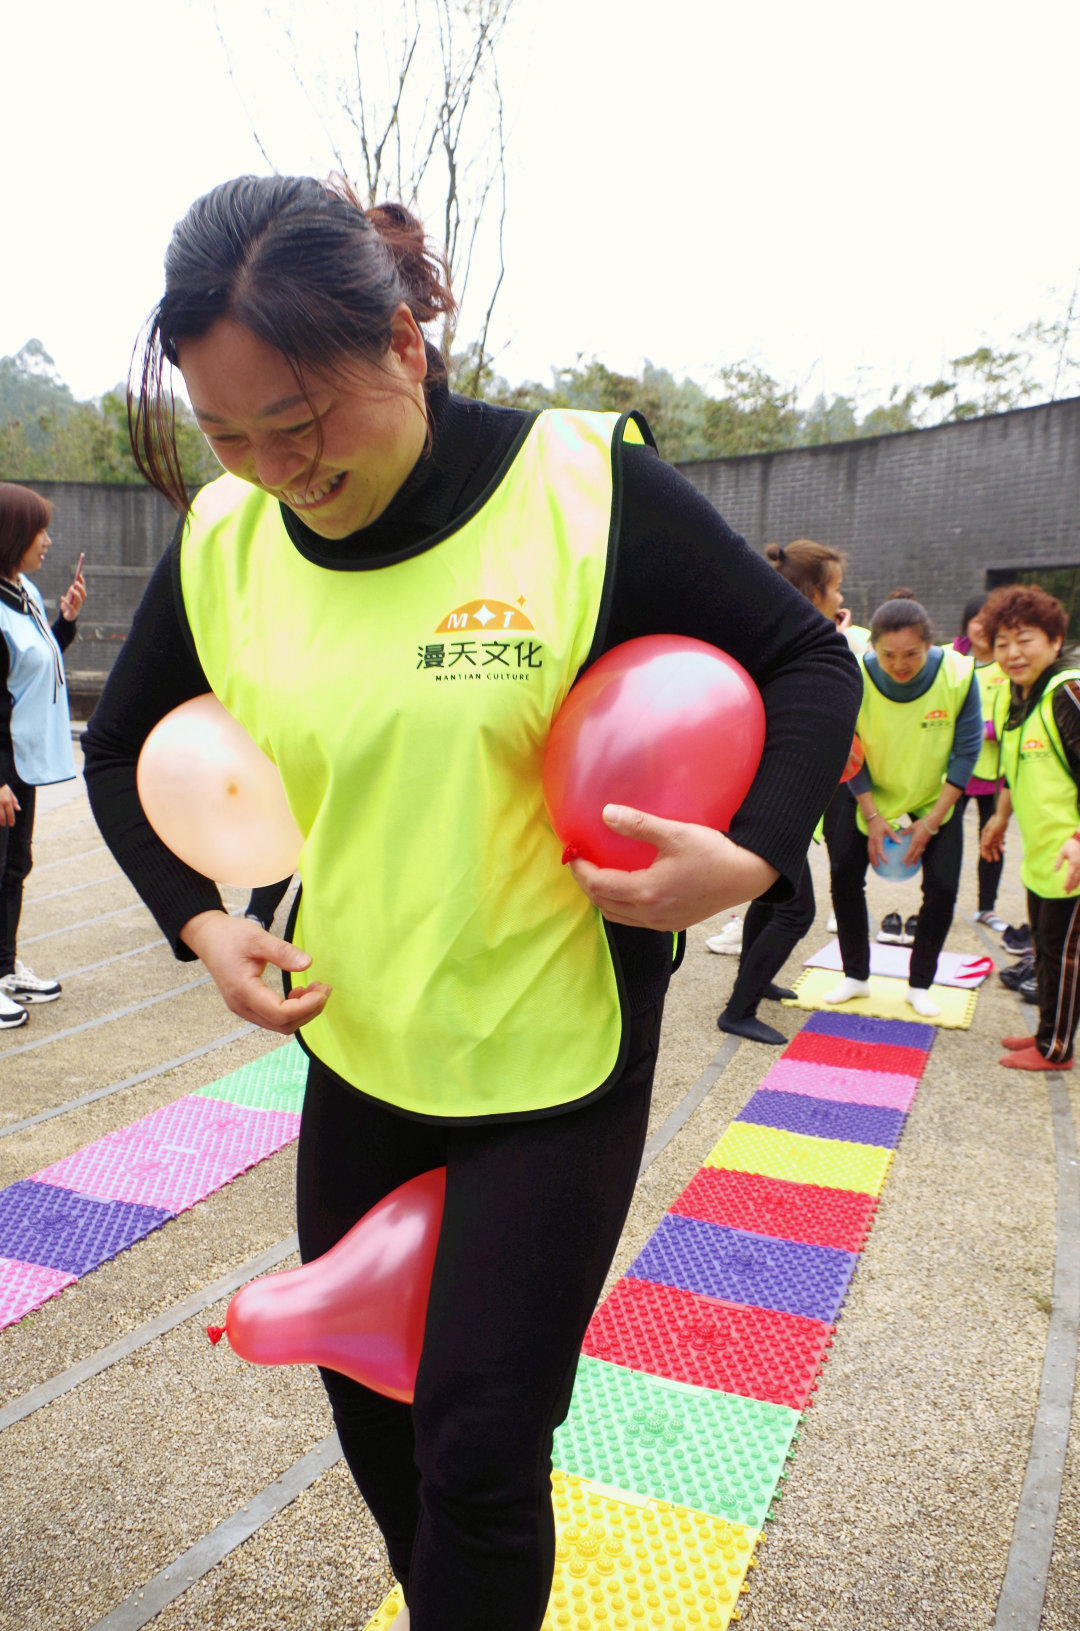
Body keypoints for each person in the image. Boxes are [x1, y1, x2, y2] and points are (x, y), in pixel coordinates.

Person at [82, 175, 860, 1631]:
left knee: (484, 1443)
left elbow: (806, 660)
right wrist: (202, 919)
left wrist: (752, 853)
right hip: (360, 1034)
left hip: (553, 1043)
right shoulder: (229, 539)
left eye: (298, 422)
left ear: (401, 345)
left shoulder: (576, 486)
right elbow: (119, 748)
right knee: (376, 1408)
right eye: (227, 435)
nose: (271, 469)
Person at [717, 537, 849, 1045]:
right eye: (835, 589)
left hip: (766, 796)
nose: (841, 598)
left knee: (771, 899)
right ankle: (739, 1009)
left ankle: (752, 984)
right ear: (813, 593)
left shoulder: (775, 636)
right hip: (771, 799)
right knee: (796, 910)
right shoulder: (803, 648)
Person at [826, 592, 982, 1017]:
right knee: (843, 875)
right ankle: (855, 975)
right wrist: (872, 814)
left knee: (943, 888)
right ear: (873, 647)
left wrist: (931, 823)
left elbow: (967, 752)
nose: (899, 664)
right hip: (869, 791)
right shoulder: (857, 675)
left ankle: (920, 983)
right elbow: (849, 750)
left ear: (929, 644)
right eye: (888, 655)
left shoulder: (958, 675)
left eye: (911, 654)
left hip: (934, 797)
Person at [979, 584, 1080, 1071]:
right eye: (1002, 643)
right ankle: (1046, 1031)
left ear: (1055, 640)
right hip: (1043, 853)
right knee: (1044, 947)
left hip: (1072, 854)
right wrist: (1000, 818)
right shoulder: (1016, 695)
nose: (1012, 653)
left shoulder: (1068, 692)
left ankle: (1056, 1050)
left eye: (1025, 640)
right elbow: (1014, 766)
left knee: (1064, 954)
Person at [0, 484, 86, 1029]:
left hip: (22, 758)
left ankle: (4, 967)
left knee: (14, 866)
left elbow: (32, 667)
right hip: (3, 764)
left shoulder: (21, 588)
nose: (48, 541)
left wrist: (66, 622)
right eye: (39, 530)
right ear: (12, 535)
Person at [953, 593, 1009, 931]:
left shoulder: (1009, 665)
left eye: (991, 620)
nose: (984, 627)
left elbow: (1012, 718)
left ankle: (986, 907)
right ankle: (939, 901)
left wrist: (982, 729)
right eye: (978, 619)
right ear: (967, 623)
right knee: (945, 842)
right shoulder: (951, 660)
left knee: (992, 840)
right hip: (954, 771)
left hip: (994, 773)